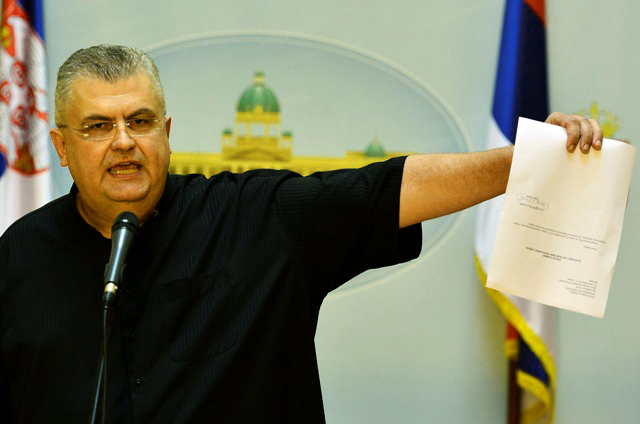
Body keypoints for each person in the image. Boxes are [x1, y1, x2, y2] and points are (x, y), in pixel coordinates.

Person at [0, 45, 603, 423]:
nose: (124, 142)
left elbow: (388, 187)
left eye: (140, 120)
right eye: (98, 126)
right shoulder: (17, 258)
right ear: (61, 146)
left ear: (167, 132)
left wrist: (526, 159)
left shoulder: (258, 219)